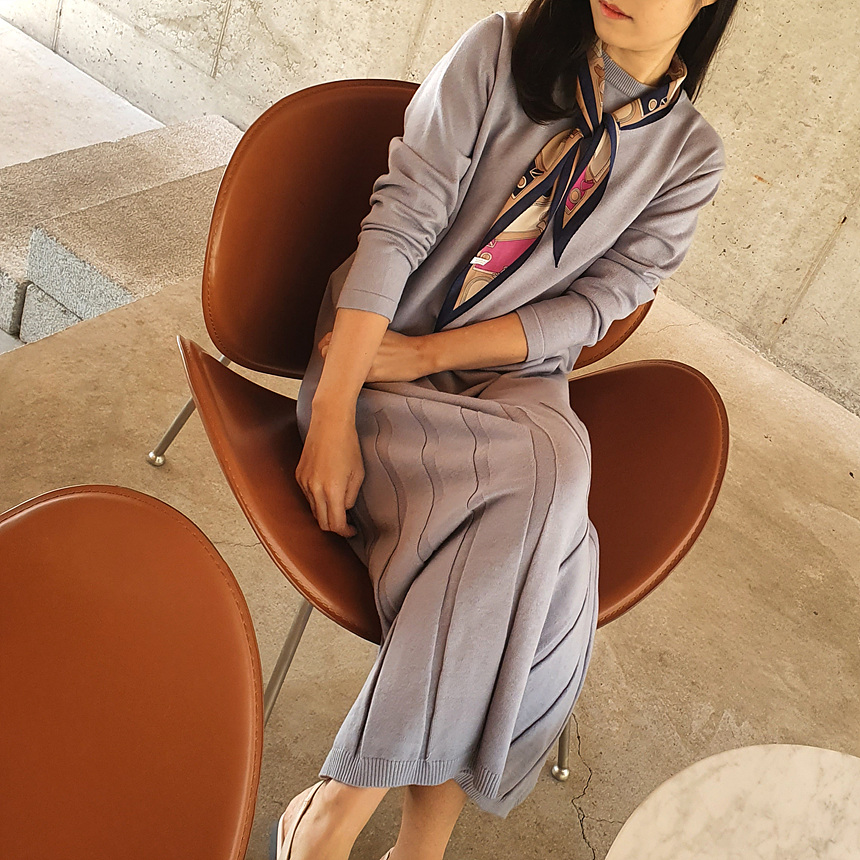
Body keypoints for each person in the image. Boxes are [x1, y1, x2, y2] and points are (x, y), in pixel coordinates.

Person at [273, 0, 738, 857]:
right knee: (555, 530)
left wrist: (433, 354)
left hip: (507, 378)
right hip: (370, 352)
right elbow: (401, 220)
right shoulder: (496, 53)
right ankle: (401, 836)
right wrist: (333, 412)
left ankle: (341, 809)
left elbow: (597, 303)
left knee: (547, 477)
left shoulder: (689, 156)